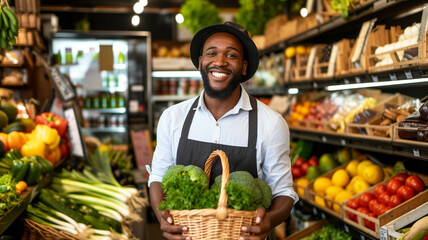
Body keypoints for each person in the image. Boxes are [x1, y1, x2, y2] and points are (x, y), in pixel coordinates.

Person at [148, 21, 298, 240]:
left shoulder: (272, 123)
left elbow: (283, 191)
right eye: (211, 53)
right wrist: (163, 218)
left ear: (244, 67)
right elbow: (158, 177)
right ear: (200, 62)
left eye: (231, 55)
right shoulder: (173, 118)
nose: (219, 62)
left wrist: (269, 220)